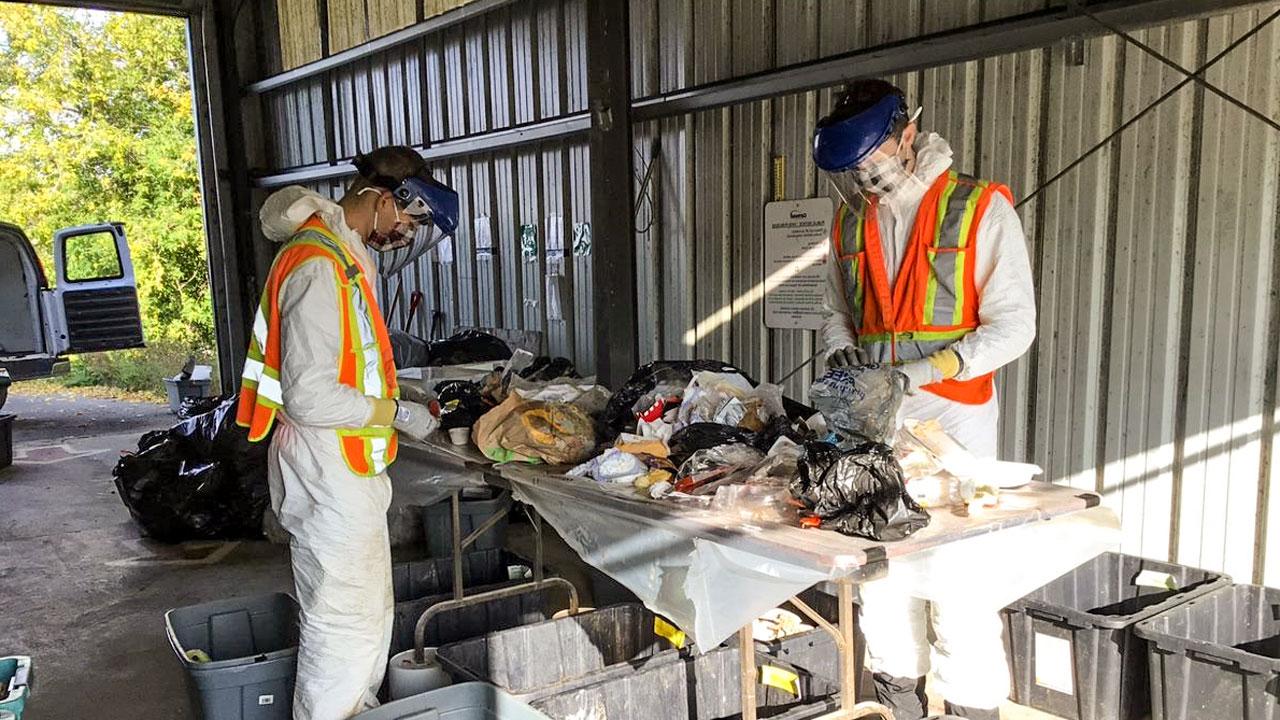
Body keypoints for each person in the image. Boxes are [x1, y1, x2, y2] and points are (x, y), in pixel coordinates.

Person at [812, 80, 1036, 719]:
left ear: (907, 133)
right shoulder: (853, 220)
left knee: (960, 584)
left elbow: (1014, 326)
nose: (865, 175)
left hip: (955, 422)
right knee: (881, 577)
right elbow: (837, 311)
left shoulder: (978, 207)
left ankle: (970, 708)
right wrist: (841, 350)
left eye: (873, 156)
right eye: (852, 168)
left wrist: (935, 365)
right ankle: (898, 704)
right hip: (877, 423)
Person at [236, 145, 459, 720]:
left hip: (343, 467)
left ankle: (359, 711)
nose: (407, 234)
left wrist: (399, 396)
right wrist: (394, 415)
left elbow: (346, 365)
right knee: (341, 626)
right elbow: (309, 395)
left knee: (366, 618)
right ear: (382, 199)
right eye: (409, 220)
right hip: (325, 466)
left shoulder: (344, 254)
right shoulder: (318, 265)